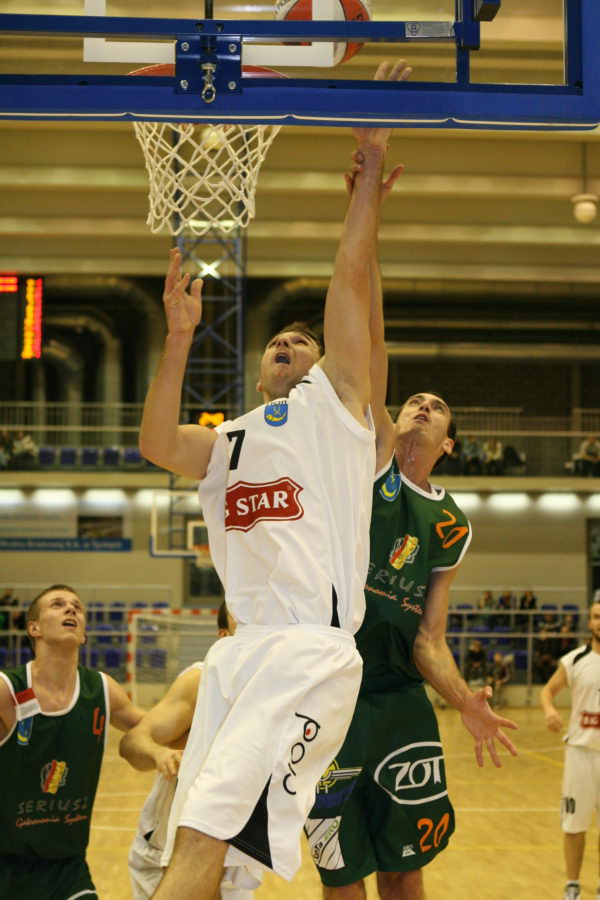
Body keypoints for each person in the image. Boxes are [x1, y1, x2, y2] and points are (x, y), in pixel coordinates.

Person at [139, 85, 404, 900]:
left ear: (327, 366)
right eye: (277, 341)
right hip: (238, 655)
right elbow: (156, 444)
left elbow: (350, 280)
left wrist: (366, 187)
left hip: (305, 651)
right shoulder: (230, 438)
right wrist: (178, 338)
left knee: (200, 838)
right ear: (260, 372)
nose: (288, 342)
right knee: (218, 867)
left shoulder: (338, 409)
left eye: (303, 340)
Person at [306, 110, 518, 899]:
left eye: (436, 407)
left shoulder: (451, 524)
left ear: (449, 443)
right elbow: (366, 330)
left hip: (400, 701)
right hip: (333, 689)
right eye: (412, 400)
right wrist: (366, 214)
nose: (421, 405)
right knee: (341, 872)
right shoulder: (369, 462)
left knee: (406, 866)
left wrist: (467, 703)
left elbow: (430, 637)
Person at [0, 583, 143, 899]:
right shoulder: (8, 689)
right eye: (57, 604)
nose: (71, 609)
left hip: (68, 870)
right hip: (6, 869)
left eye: (77, 606)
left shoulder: (100, 688)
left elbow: (149, 729)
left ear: (84, 635)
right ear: (34, 628)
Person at [120, 602, 252, 900]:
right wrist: (158, 754)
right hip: (167, 854)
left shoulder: (270, 691)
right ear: (224, 637)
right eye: (239, 612)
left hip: (231, 858)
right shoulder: (200, 681)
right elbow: (132, 742)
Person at [540, 602, 600, 900]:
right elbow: (547, 691)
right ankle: (572, 884)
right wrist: (550, 710)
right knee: (574, 825)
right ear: (589, 622)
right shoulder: (575, 660)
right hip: (580, 754)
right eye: (596, 617)